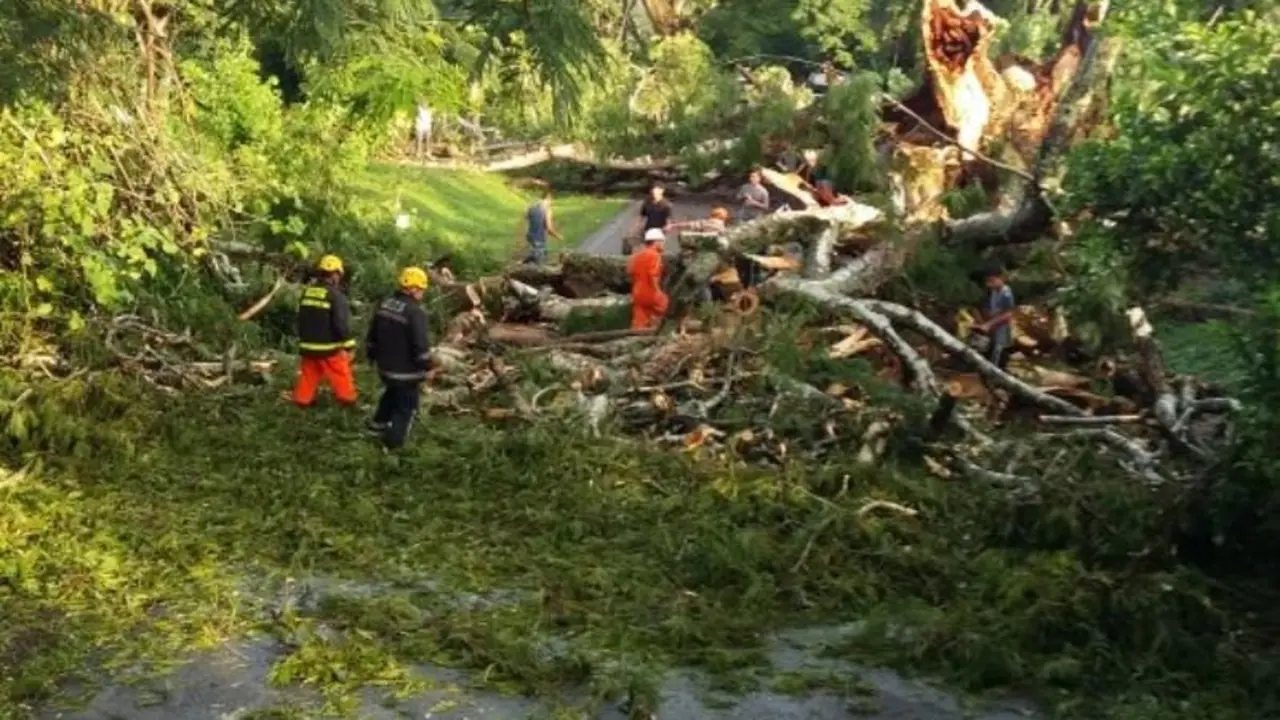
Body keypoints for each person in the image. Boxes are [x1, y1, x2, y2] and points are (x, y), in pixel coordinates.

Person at [365, 267, 433, 451]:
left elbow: (372, 334)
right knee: (406, 408)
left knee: (392, 393)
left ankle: (377, 426)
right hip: (406, 373)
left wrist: (371, 355)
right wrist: (427, 367)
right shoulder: (415, 312)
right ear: (412, 288)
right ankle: (393, 445)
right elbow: (420, 345)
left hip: (384, 368)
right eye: (421, 289)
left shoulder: (385, 304)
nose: (422, 293)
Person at [292, 254, 357, 407]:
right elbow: (340, 324)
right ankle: (348, 400)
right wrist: (349, 345)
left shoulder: (307, 292)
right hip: (328, 347)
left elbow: (300, 318)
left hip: (307, 345)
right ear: (336, 274)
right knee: (341, 372)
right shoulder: (336, 296)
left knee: (309, 374)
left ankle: (302, 400)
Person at [974, 266, 1016, 370]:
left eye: (992, 281)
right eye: (987, 281)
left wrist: (989, 324)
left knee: (998, 356)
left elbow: (1008, 314)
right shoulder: (993, 292)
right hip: (993, 330)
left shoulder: (1006, 292)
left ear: (1001, 278)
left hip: (1002, 331)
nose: (989, 284)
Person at [628, 228, 669, 330]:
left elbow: (630, 272)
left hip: (637, 293)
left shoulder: (637, 255)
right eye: (662, 241)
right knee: (665, 306)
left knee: (639, 321)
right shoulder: (655, 255)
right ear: (656, 241)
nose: (663, 244)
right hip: (650, 292)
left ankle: (637, 335)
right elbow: (653, 275)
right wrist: (658, 292)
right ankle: (659, 331)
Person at [518, 190, 563, 265]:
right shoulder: (547, 209)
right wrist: (558, 236)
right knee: (541, 262)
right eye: (551, 200)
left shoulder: (532, 207)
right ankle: (523, 265)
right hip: (539, 238)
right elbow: (549, 228)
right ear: (548, 198)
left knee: (535, 253)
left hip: (530, 236)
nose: (551, 202)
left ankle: (522, 263)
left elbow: (526, 217)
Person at [627, 184, 672, 254]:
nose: (655, 192)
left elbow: (668, 219)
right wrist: (636, 227)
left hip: (660, 231)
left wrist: (668, 226)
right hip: (648, 229)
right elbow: (642, 217)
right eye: (654, 190)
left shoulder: (666, 205)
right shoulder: (647, 203)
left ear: (662, 191)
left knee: (658, 250)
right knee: (648, 249)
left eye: (657, 190)